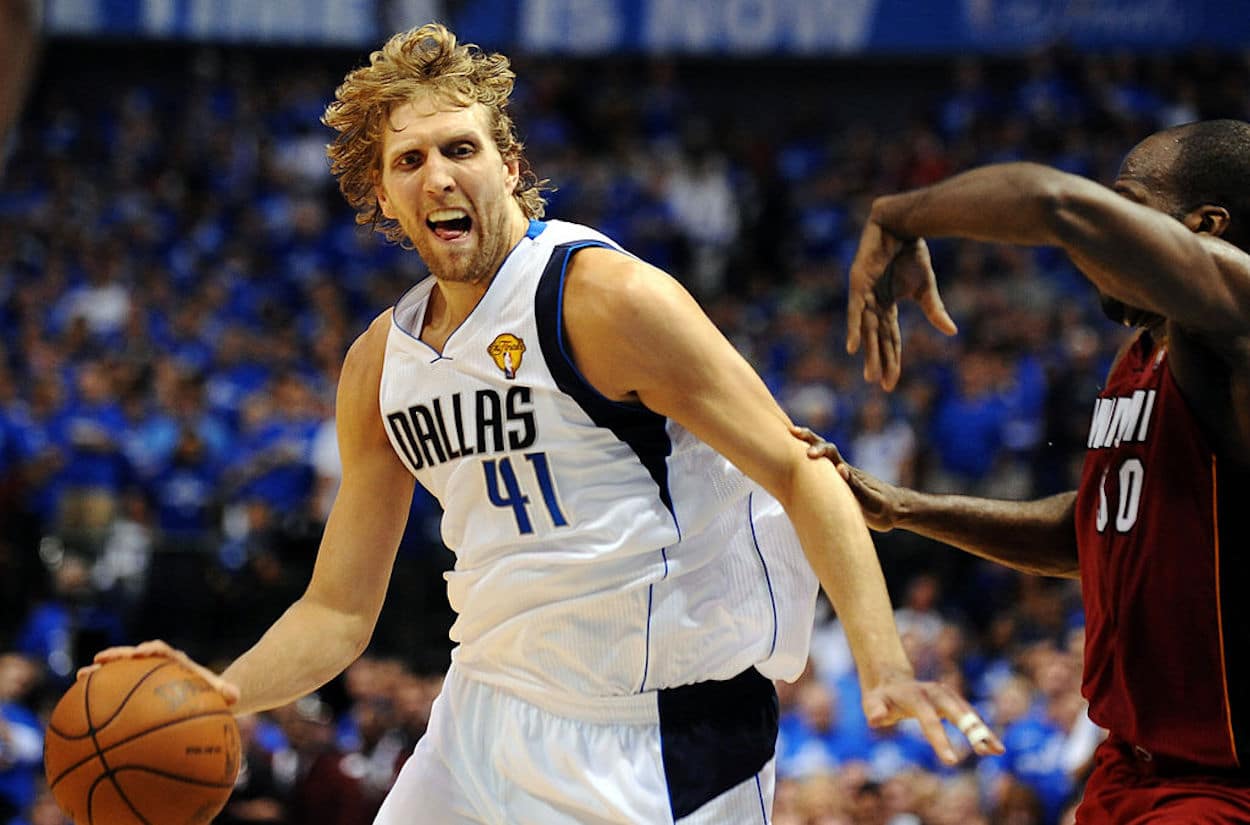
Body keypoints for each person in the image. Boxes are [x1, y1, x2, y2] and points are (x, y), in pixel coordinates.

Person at [86, 24, 1001, 824]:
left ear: (510, 167)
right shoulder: (379, 365)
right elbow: (336, 608)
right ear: (383, 198)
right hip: (482, 709)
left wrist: (883, 664)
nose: (439, 175)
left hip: (656, 732)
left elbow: (802, 471)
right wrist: (222, 690)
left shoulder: (607, 299)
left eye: (460, 149)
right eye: (410, 162)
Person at [800, 118, 1250, 822]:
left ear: (1205, 225)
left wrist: (897, 214)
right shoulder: (1142, 352)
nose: (1101, 229)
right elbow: (1089, 531)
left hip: (1220, 785)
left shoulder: (1239, 321)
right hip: (1127, 767)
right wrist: (906, 508)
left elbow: (1053, 204)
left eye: (1127, 203)